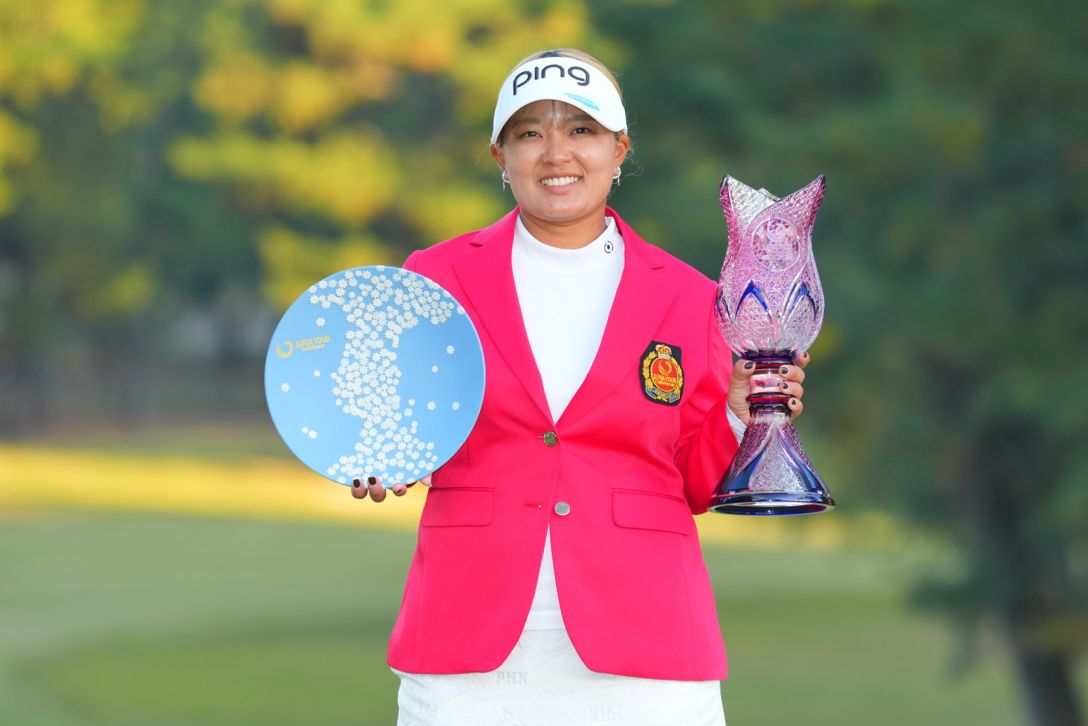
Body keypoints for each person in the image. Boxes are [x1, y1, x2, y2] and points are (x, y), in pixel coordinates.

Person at [351, 48, 809, 726]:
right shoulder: (434, 276)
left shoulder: (692, 298)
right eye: (529, 132)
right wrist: (378, 452)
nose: (555, 152)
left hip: (648, 647)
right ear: (500, 155)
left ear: (619, 149)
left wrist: (741, 416)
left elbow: (695, 482)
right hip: (467, 641)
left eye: (581, 130)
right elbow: (403, 420)